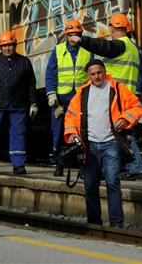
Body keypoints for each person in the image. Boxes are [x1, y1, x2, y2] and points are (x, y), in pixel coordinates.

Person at [64, 59, 142, 228]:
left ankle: (116, 223)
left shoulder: (117, 88)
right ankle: (94, 223)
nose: (97, 76)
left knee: (112, 182)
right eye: (92, 74)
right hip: (89, 146)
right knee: (90, 185)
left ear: (104, 71)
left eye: (99, 72)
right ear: (88, 75)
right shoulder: (82, 92)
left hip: (110, 144)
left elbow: (137, 107)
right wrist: (71, 133)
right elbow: (70, 115)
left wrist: (125, 119)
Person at [70, 13, 142, 180]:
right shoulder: (135, 48)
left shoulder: (121, 45)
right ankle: (128, 167)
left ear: (112, 29)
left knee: (118, 133)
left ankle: (135, 167)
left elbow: (104, 47)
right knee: (123, 132)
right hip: (128, 93)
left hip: (116, 95)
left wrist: (83, 40)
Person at [0, 31, 37, 174]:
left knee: (18, 134)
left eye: (9, 45)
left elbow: (31, 84)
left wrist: (33, 103)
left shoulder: (24, 62)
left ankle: (19, 165)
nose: (7, 49)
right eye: (4, 46)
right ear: (0, 47)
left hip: (18, 106)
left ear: (15, 45)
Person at [45, 19, 92, 176]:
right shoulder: (58, 51)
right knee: (58, 134)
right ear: (66, 35)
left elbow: (92, 74)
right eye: (71, 34)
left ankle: (83, 165)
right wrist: (51, 95)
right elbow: (50, 74)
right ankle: (59, 164)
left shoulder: (87, 51)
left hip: (80, 100)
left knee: (81, 134)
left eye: (76, 34)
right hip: (61, 101)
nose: (74, 37)